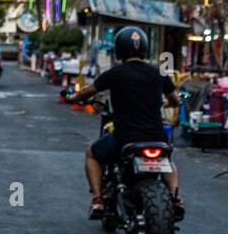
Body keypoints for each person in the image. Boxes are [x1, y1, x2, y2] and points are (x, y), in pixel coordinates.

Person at [66, 26, 183, 220]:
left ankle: (98, 200)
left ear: (119, 49)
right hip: (156, 137)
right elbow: (176, 100)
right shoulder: (158, 73)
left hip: (125, 138)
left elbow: (88, 92)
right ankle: (174, 198)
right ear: (144, 48)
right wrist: (166, 102)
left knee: (92, 155)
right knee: (168, 162)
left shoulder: (116, 73)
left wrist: (73, 98)